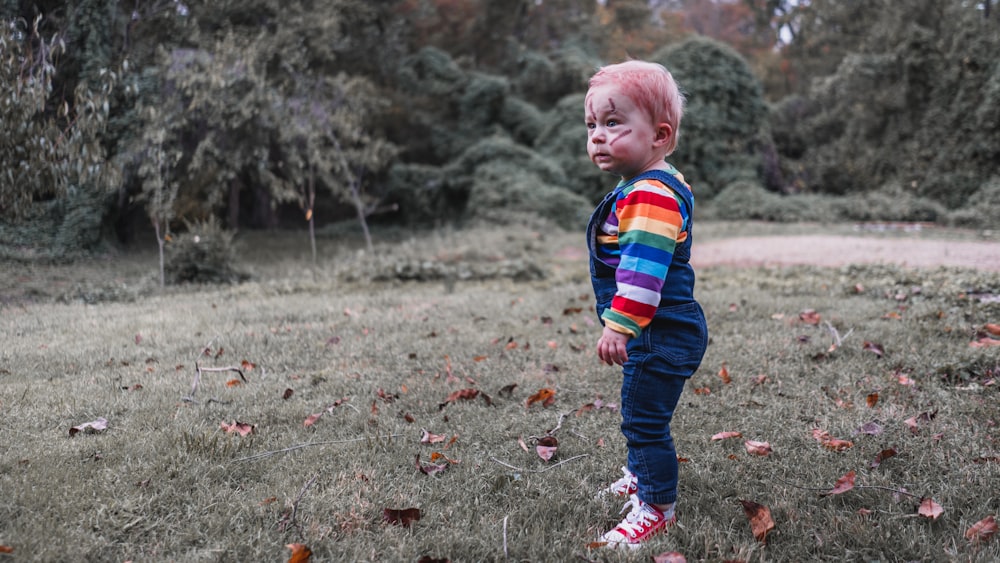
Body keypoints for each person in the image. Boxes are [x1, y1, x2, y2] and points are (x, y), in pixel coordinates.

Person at [584, 60, 708, 550]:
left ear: (659, 134)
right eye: (592, 124)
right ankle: (641, 475)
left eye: (614, 123)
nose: (597, 136)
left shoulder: (650, 195)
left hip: (658, 331)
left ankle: (656, 506)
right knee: (642, 412)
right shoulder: (656, 182)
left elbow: (643, 274)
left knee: (642, 420)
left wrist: (619, 326)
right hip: (662, 329)